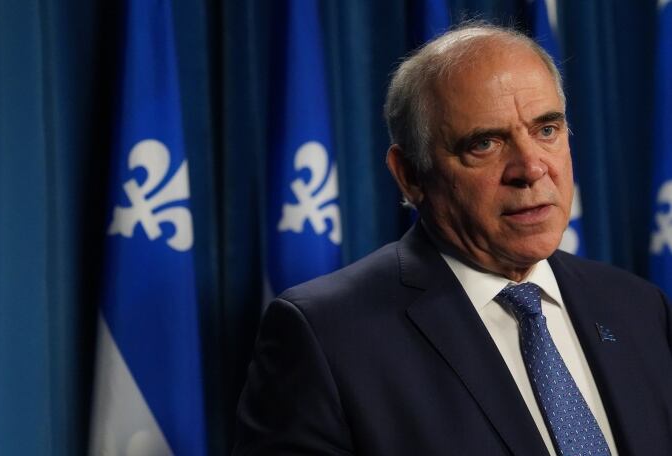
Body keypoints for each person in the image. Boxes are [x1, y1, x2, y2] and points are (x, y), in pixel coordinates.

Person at [233, 23, 672, 455]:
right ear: (410, 176)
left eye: (546, 130)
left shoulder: (636, 307)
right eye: (484, 143)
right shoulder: (327, 336)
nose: (531, 168)